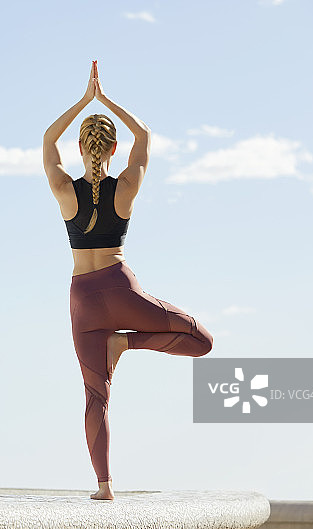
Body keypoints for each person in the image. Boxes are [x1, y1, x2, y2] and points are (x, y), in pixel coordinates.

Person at [43, 61, 214, 501]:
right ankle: (126, 343)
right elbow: (146, 137)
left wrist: (84, 100)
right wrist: (105, 100)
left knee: (95, 397)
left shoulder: (64, 188)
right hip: (120, 291)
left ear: (80, 147)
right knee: (201, 340)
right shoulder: (127, 186)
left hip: (82, 298)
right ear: (113, 148)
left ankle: (104, 487)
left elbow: (47, 141)